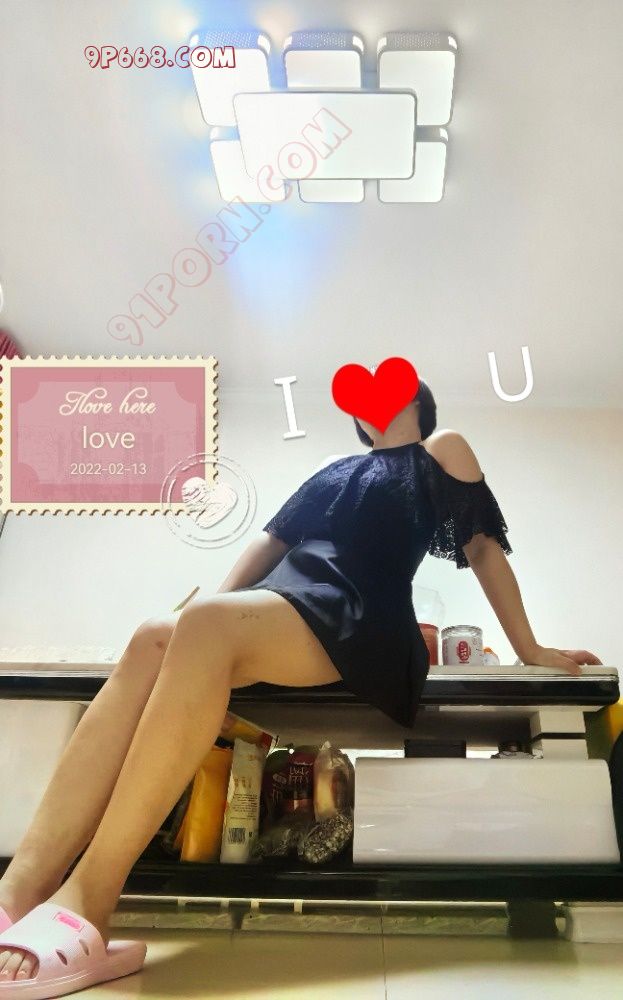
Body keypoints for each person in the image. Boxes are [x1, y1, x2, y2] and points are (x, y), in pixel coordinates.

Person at [0, 376, 601, 996]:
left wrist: (531, 648)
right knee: (155, 634)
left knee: (197, 625)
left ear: (416, 402)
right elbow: (270, 543)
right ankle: (17, 890)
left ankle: (89, 897)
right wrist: (198, 631)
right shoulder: (334, 467)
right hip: (285, 601)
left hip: (359, 613)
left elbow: (482, 550)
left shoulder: (438, 449)